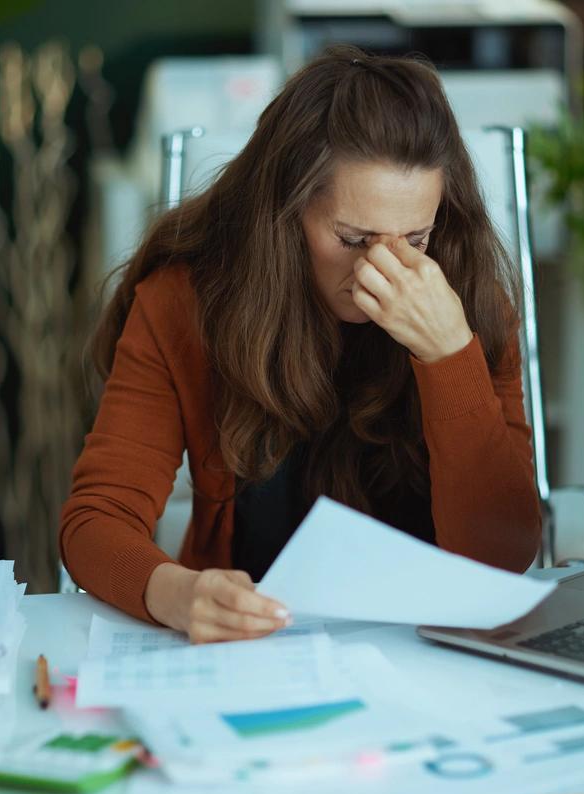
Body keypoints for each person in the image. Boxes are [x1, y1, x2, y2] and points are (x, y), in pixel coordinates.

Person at [60, 45, 540, 643]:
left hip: (433, 646)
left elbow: (505, 555)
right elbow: (97, 519)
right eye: (353, 237)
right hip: (255, 650)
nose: (383, 269)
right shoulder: (186, 302)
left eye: (415, 238)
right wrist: (174, 592)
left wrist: (449, 356)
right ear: (285, 209)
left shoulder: (469, 299)